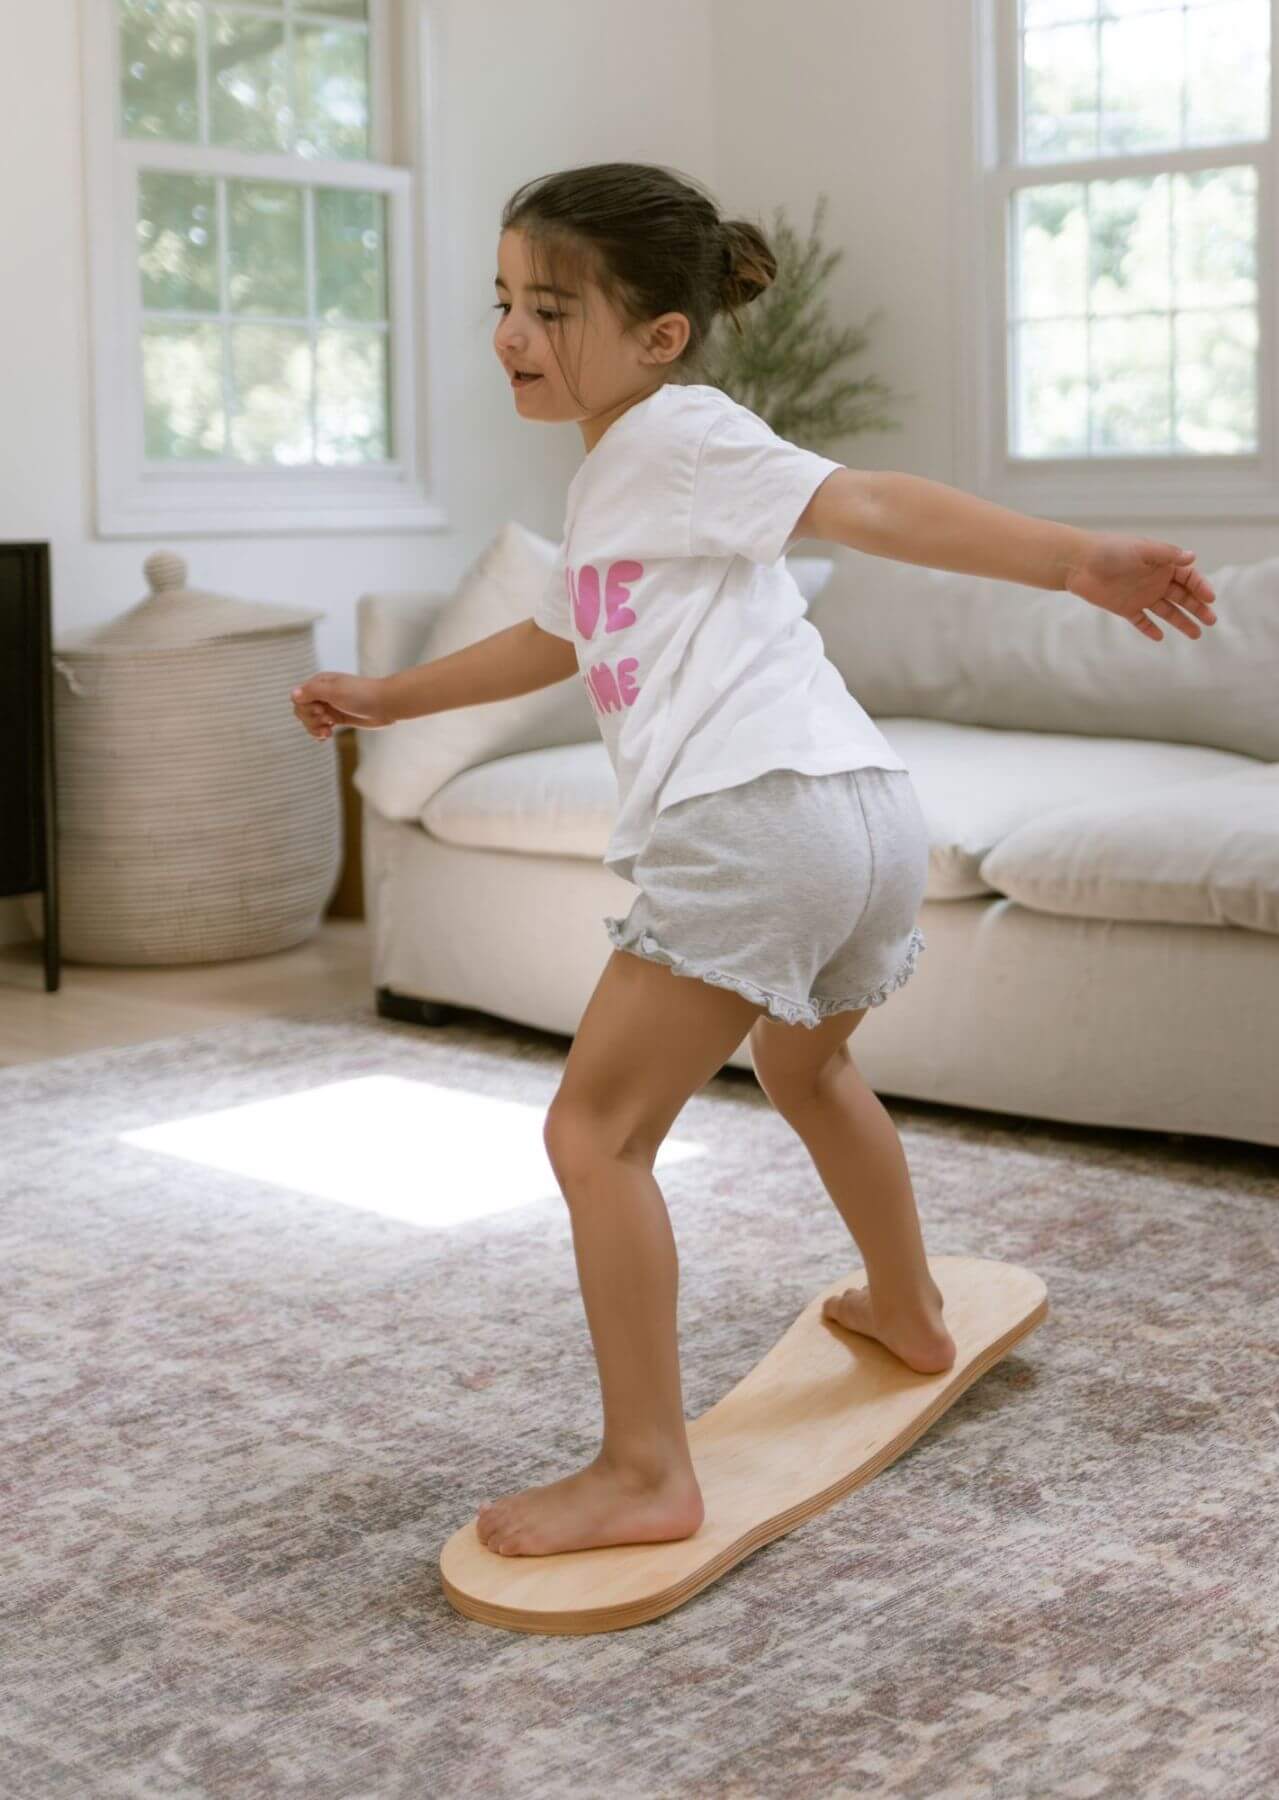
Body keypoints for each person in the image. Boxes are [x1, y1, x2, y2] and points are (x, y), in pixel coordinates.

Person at [290, 162, 1218, 1559]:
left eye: (550, 308)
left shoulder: (679, 432)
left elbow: (871, 507)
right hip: (859, 815)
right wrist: (387, 697)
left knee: (591, 1136)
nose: (511, 335)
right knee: (807, 1063)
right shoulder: (618, 480)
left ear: (661, 336)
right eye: (502, 302)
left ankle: (645, 1471)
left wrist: (1072, 557)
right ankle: (906, 1306)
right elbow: (556, 636)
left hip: (757, 824)